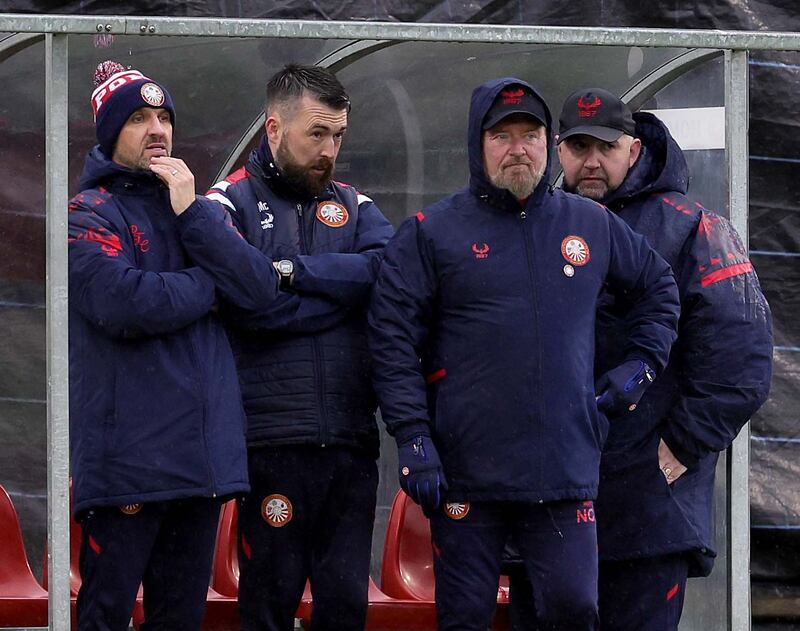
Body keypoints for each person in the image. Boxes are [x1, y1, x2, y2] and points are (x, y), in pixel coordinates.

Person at [367, 77, 681, 631]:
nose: (518, 148)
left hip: (563, 471)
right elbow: (392, 341)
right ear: (477, 142)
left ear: (548, 141)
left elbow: (660, 289)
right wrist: (413, 438)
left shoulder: (591, 224)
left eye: (531, 134)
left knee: (573, 610)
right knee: (465, 618)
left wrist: (640, 367)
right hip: (464, 474)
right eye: (502, 135)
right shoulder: (430, 233)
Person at [507, 87, 774, 631]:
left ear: (634, 148)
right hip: (547, 504)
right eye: (578, 147)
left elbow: (742, 358)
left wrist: (685, 442)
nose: (592, 161)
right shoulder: (531, 224)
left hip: (649, 510)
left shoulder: (694, 227)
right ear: (558, 151)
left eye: (606, 146)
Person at [204, 64, 394, 631]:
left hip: (351, 442)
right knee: (268, 601)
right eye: (317, 133)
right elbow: (248, 301)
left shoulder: (356, 206)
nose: (329, 149)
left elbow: (386, 269)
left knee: (345, 607)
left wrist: (290, 272)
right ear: (273, 128)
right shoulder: (227, 203)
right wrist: (338, 293)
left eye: (338, 135)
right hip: (270, 443)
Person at [68, 61, 252, 630]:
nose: (158, 130)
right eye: (140, 118)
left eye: (165, 117)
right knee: (106, 618)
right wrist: (208, 285)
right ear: (110, 133)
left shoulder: (195, 211)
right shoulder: (87, 213)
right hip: (127, 467)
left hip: (199, 470)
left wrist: (194, 214)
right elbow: (124, 301)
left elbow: (257, 291)